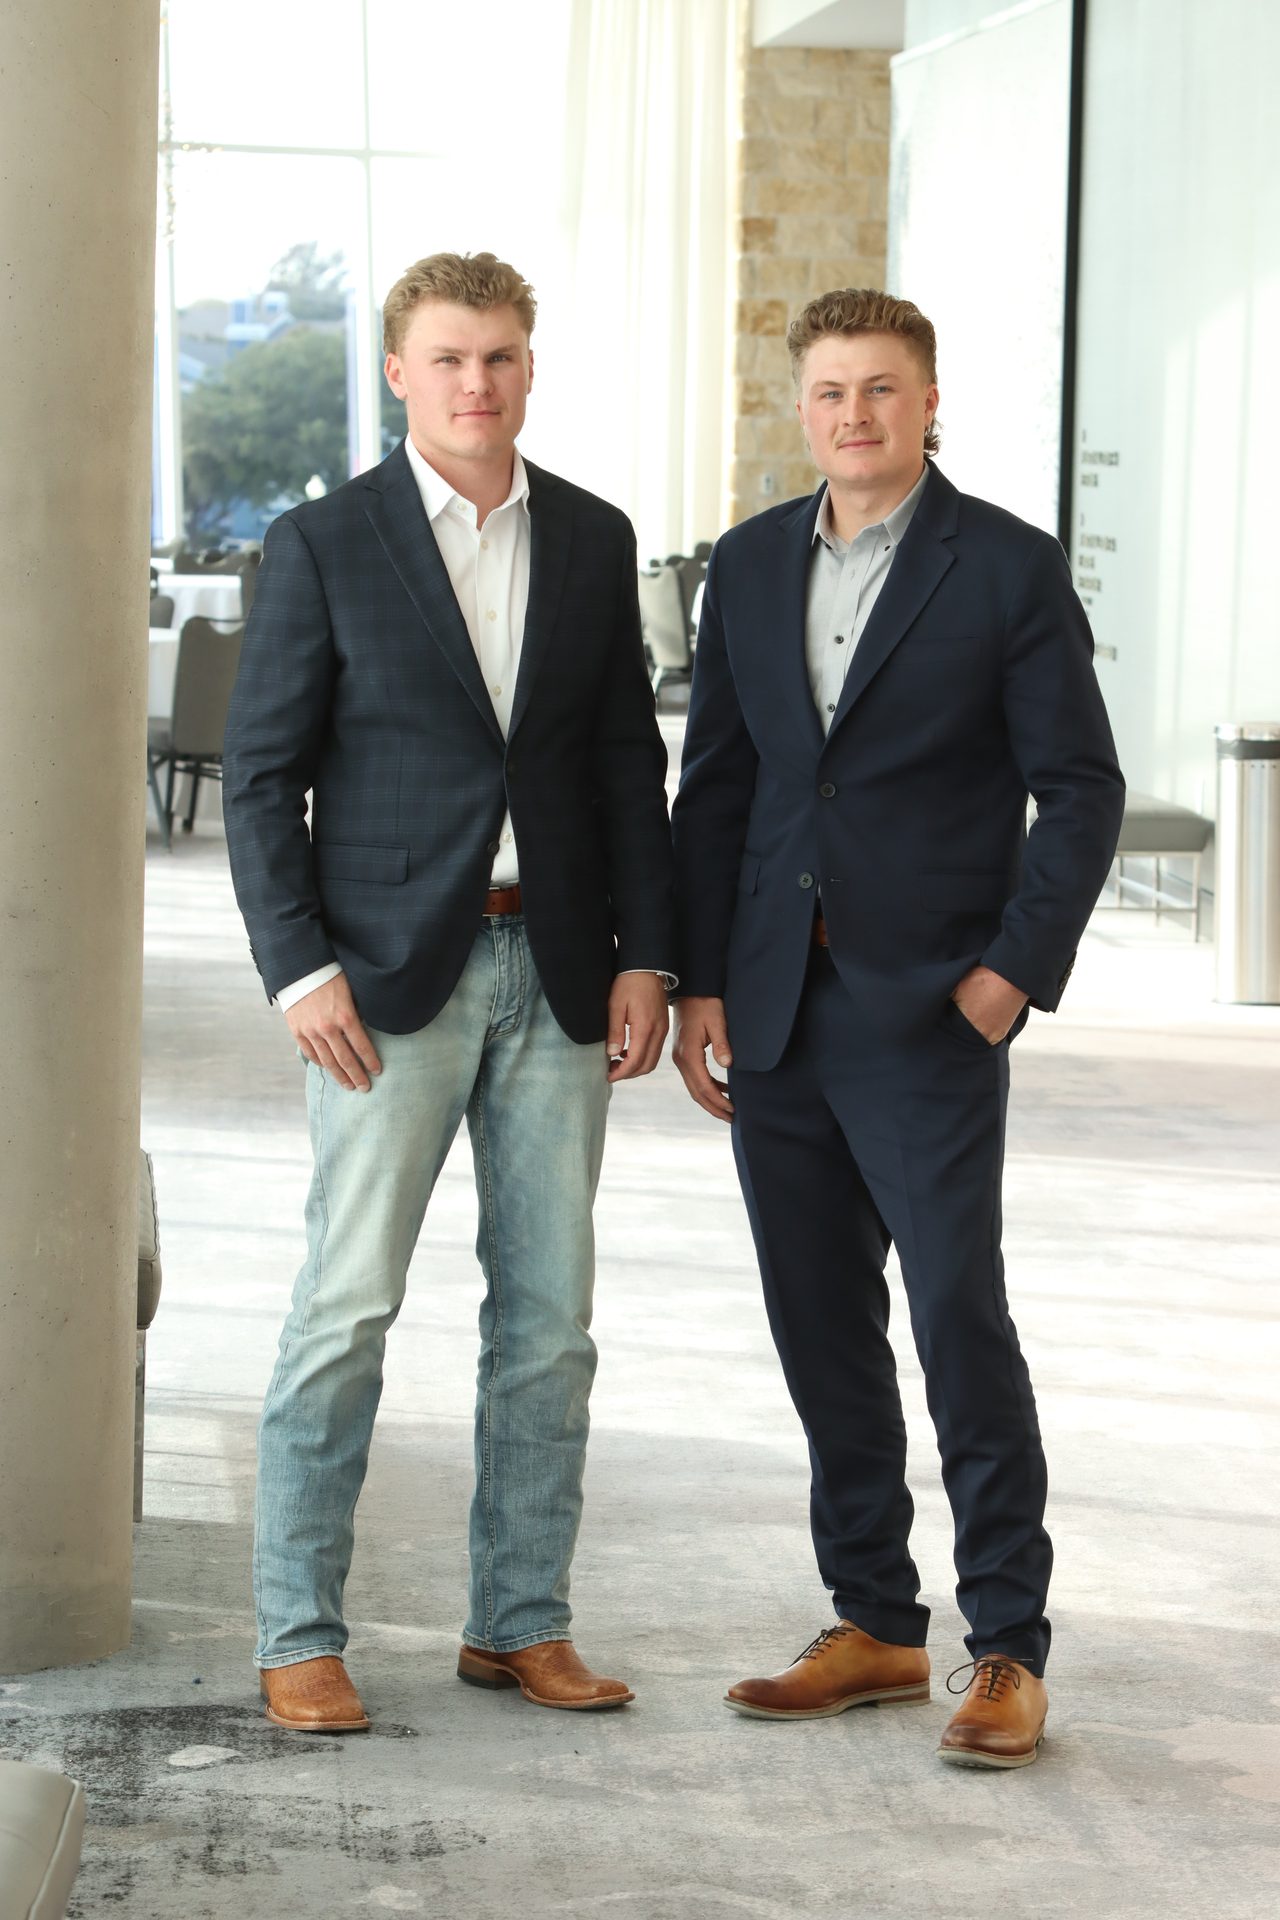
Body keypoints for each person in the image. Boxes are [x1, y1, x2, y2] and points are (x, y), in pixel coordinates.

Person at [670, 288, 1124, 1768]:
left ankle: (1006, 1648)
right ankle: (873, 1617)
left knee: (953, 1318)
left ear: (927, 402)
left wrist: (1010, 975)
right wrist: (700, 980)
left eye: (880, 390)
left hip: (930, 1010)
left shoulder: (1003, 567)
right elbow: (722, 789)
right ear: (798, 408)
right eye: (828, 392)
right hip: (777, 1006)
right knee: (821, 1327)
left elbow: (1083, 786)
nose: (854, 415)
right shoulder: (743, 567)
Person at [223, 251, 673, 1733]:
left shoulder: (597, 543)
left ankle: (518, 1622)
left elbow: (625, 767)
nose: (477, 383)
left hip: (553, 969)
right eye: (449, 358)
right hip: (381, 987)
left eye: (501, 357)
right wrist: (299, 968)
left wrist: (645, 954)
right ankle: (299, 1630)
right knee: (347, 1308)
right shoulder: (323, 543)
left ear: (528, 369)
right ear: (401, 375)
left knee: (549, 1320)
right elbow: (261, 776)